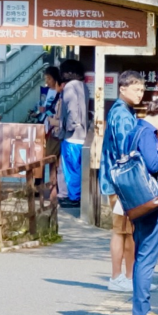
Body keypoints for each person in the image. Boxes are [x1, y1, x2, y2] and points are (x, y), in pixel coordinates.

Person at [102, 73, 158, 315]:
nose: (140, 93)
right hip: (144, 195)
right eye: (136, 88)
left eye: (143, 89)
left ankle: (140, 307)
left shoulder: (131, 120)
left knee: (138, 247)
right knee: (142, 250)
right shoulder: (131, 121)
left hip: (133, 193)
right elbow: (151, 162)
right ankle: (140, 309)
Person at [58, 60, 90, 206]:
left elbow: (72, 109)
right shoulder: (84, 86)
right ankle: (76, 196)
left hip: (72, 136)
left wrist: (70, 127)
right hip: (83, 135)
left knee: (71, 169)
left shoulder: (69, 86)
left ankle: (74, 197)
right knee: (79, 167)